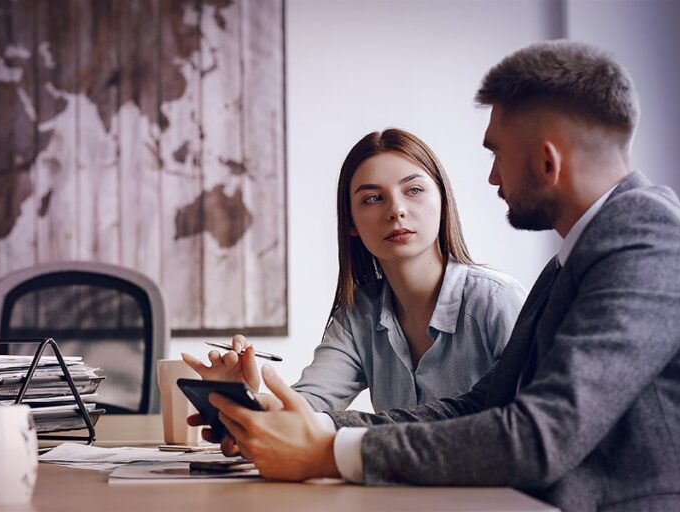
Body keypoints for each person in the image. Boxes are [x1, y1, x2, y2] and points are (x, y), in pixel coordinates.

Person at [197, 40, 680, 511]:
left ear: (547, 161)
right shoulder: (582, 255)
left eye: (497, 154)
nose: (490, 177)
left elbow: (538, 436)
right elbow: (479, 405)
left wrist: (328, 454)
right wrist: (321, 432)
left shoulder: (651, 247)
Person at [183, 128, 527, 412]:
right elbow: (308, 406)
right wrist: (243, 402)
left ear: (442, 201)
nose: (397, 210)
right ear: (351, 223)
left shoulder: (494, 301)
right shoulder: (359, 313)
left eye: (415, 190)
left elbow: (532, 425)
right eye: (373, 198)